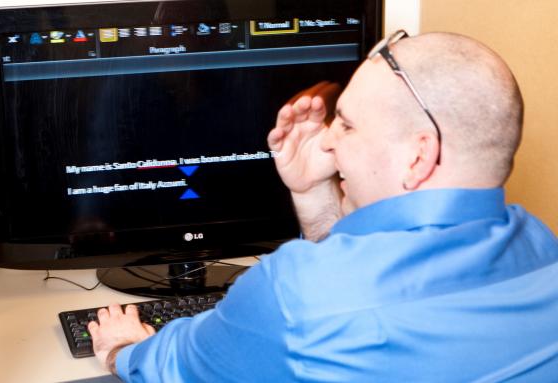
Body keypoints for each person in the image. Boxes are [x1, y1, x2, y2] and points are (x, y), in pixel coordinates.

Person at [87, 31, 558, 381]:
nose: (328, 142)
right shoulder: (543, 247)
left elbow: (176, 368)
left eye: (347, 126)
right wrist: (314, 194)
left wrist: (122, 350)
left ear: (419, 156)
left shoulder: (292, 293)